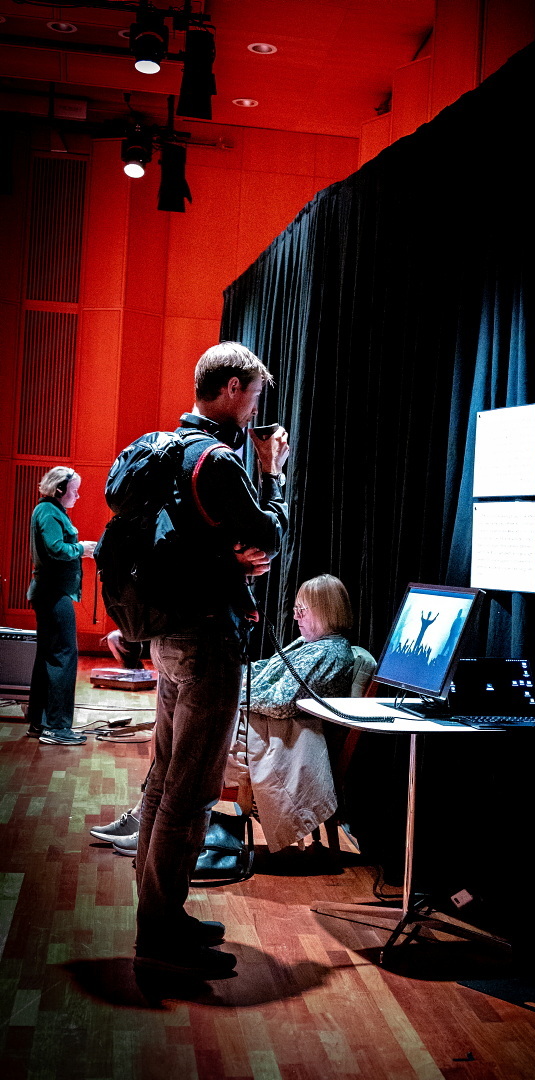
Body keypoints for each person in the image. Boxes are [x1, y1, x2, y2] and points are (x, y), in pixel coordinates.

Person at [133, 341, 289, 979]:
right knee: (191, 791)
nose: (256, 410)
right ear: (230, 389)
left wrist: (226, 556)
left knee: (163, 779)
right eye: (253, 396)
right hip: (206, 642)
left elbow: (189, 543)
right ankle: (162, 930)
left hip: (169, 636)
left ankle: (157, 915)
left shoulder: (171, 450)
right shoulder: (218, 461)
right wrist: (273, 474)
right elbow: (270, 536)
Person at [226, 574, 355, 852]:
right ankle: (147, 821)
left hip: (276, 734)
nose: (295, 617)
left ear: (325, 611)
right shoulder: (310, 644)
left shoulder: (329, 653)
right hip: (257, 721)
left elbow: (281, 702)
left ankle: (151, 827)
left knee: (183, 742)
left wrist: (230, 696)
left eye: (302, 611)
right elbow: (265, 670)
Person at [26, 467, 96, 746]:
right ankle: (56, 727)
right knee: (62, 658)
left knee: (49, 658)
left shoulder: (48, 510)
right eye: (74, 490)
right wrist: (83, 548)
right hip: (53, 594)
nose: (77, 495)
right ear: (59, 490)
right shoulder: (48, 512)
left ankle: (40, 723)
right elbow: (56, 548)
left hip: (50, 593)